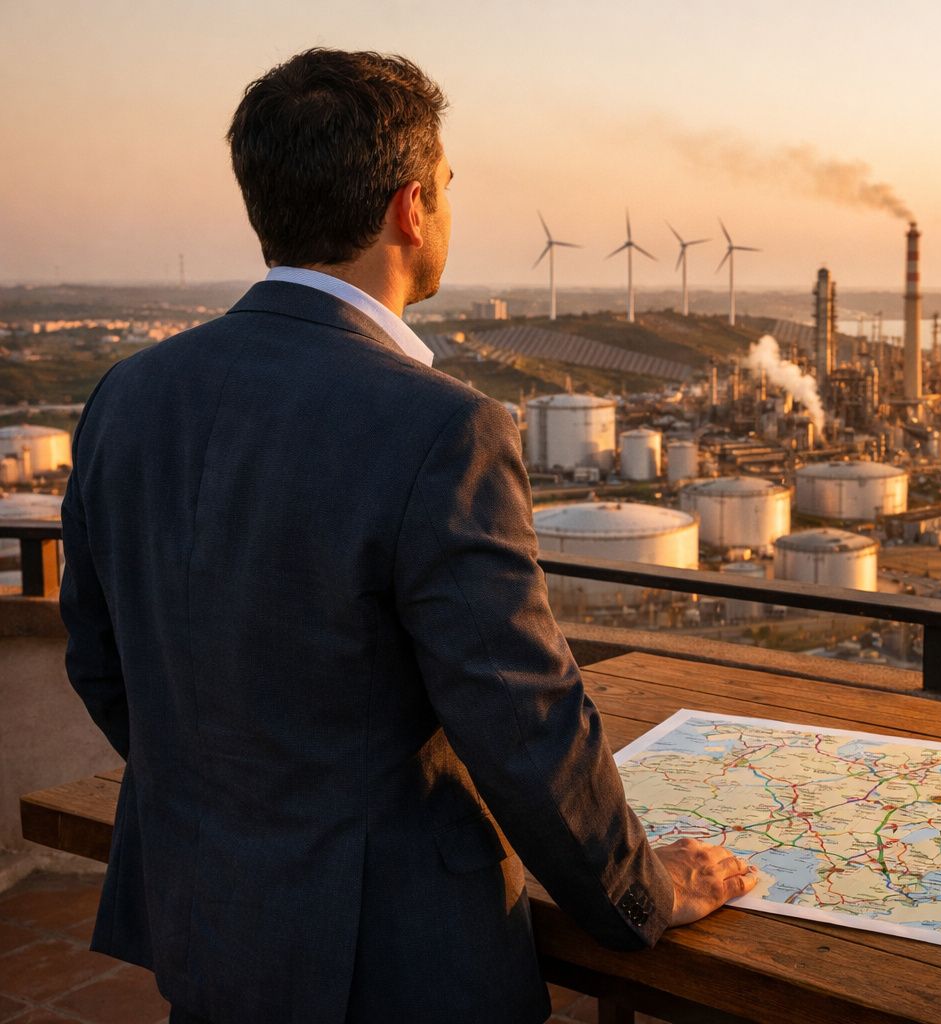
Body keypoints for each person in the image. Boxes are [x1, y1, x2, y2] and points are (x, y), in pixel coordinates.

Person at [58, 48, 756, 1024]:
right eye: (449, 189)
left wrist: (244, 810)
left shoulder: (126, 396)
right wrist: (644, 888)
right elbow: (523, 723)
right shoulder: (438, 426)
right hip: (390, 967)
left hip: (214, 929)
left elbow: (98, 660)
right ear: (411, 206)